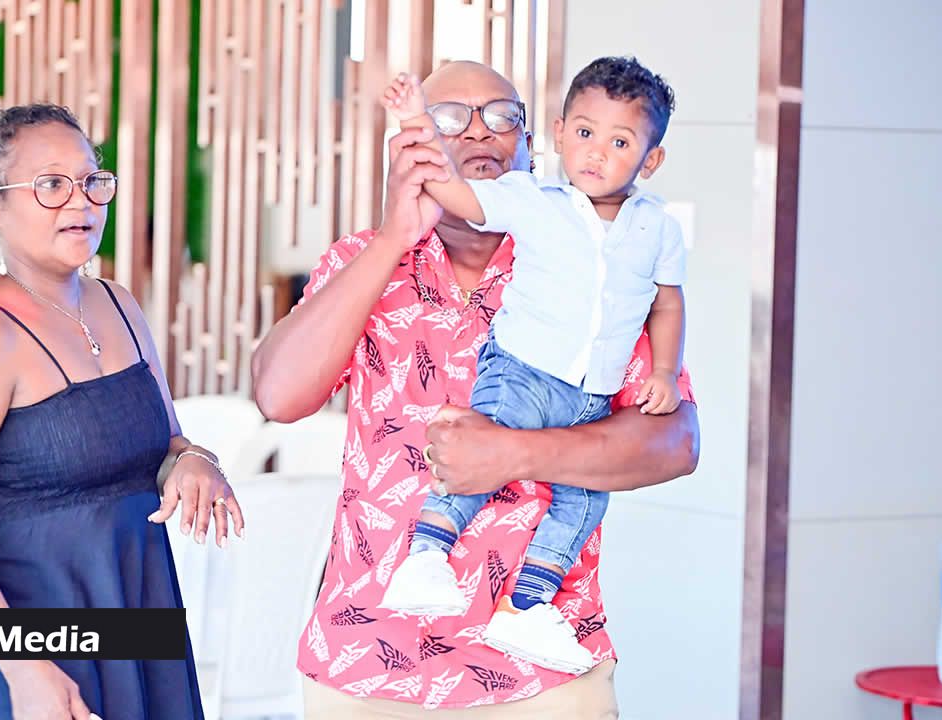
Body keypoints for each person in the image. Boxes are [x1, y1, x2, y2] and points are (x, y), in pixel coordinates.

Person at [251, 61, 699, 718]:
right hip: (364, 659)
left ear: (530, 143)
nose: (480, 134)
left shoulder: (599, 263)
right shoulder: (362, 261)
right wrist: (393, 238)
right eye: (450, 119)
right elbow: (278, 396)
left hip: (540, 673)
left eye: (502, 117)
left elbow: (676, 441)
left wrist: (516, 454)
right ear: (410, 143)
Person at [0, 103, 239, 720]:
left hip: (133, 603)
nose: (81, 201)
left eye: (93, 180)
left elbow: (168, 443)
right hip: (21, 631)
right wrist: (25, 670)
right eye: (51, 185)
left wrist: (194, 461)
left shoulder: (119, 305)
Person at [374, 56, 684, 675]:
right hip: (521, 370)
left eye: (621, 142)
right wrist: (416, 123)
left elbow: (668, 301)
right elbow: (457, 194)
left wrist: (665, 374)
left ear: (650, 160)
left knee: (585, 502)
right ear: (560, 132)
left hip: (590, 398)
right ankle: (425, 558)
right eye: (586, 133)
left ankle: (527, 606)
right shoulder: (532, 199)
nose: (597, 152)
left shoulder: (657, 228)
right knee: (482, 456)